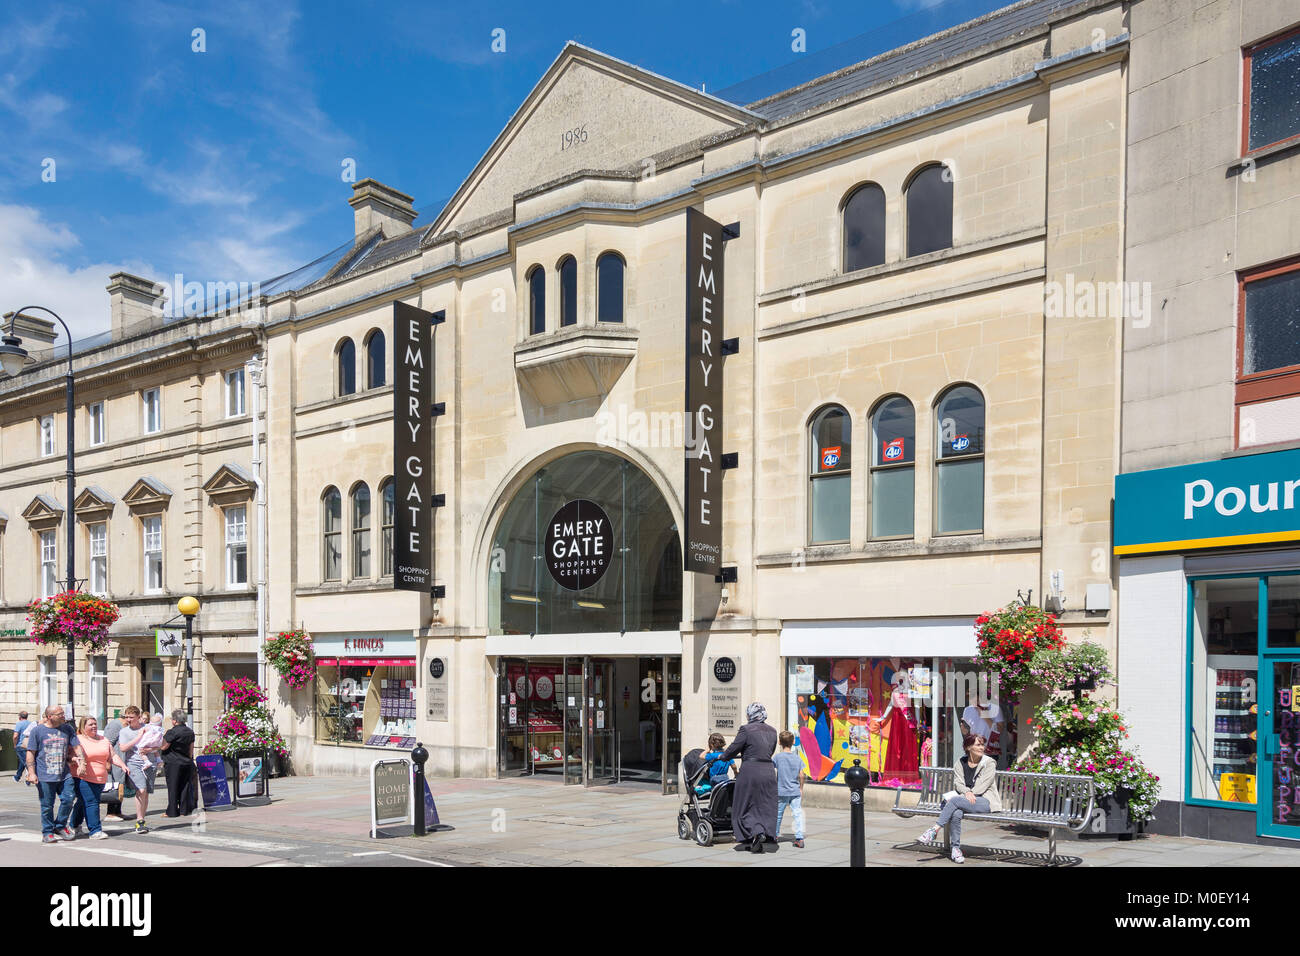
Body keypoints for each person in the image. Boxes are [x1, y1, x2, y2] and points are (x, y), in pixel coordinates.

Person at [919, 733, 1003, 863]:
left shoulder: (989, 763)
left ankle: (934, 830)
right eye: (978, 744)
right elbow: (958, 783)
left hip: (985, 801)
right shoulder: (960, 762)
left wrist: (968, 793)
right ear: (969, 747)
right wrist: (966, 793)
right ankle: (955, 849)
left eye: (982, 744)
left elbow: (983, 785)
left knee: (955, 801)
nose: (982, 747)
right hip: (965, 801)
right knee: (956, 813)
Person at [717, 702, 779, 853]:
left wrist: (723, 756)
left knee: (743, 804)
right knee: (764, 805)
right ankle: (762, 832)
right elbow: (770, 750)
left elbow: (734, 748)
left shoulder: (746, 729)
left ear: (750, 715)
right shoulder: (772, 731)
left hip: (750, 771)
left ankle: (754, 832)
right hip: (768, 770)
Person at [23, 705, 85, 843]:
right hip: (44, 775)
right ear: (50, 716)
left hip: (64, 774)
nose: (64, 716)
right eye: (60, 714)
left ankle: (60, 826)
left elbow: (76, 747)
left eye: (63, 713)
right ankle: (47, 831)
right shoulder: (37, 731)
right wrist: (31, 773)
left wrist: (82, 763)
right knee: (47, 805)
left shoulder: (67, 728)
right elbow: (30, 753)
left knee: (69, 799)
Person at [69, 715, 126, 840]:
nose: (94, 726)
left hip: (100, 778)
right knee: (92, 802)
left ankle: (74, 825)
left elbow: (112, 756)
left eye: (95, 724)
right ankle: (95, 830)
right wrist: (75, 761)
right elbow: (70, 755)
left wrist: (122, 765)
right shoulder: (78, 740)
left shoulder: (103, 740)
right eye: (90, 724)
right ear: (83, 727)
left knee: (83, 802)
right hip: (83, 777)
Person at [118, 705, 160, 834]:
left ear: (138, 717)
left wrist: (150, 749)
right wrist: (138, 737)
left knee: (145, 792)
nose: (128, 720)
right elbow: (123, 748)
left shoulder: (148, 728)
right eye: (127, 717)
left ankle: (142, 819)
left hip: (149, 763)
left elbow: (160, 744)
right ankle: (140, 820)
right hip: (133, 763)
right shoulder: (124, 732)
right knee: (140, 789)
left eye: (131, 717)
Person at [160, 709, 198, 817]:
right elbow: (191, 749)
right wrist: (189, 759)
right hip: (186, 762)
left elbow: (164, 746)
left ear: (175, 720)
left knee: (173, 787)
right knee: (184, 786)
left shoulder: (172, 732)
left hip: (173, 762)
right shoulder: (190, 731)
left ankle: (171, 811)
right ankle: (183, 810)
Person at [773, 730, 806, 848]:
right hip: (795, 791)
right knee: (797, 814)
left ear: (779, 742)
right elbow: (801, 775)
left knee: (778, 814)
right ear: (793, 742)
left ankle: (775, 835)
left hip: (781, 790)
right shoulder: (797, 758)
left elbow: (771, 770)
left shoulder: (777, 757)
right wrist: (801, 788)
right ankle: (799, 838)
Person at [103, 716, 126, 821]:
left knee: (120, 785)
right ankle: (110, 813)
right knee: (114, 785)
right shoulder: (115, 725)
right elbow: (107, 743)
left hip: (121, 761)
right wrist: (107, 761)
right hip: (114, 761)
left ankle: (118, 811)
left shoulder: (125, 725)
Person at [12, 710, 31, 783]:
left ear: (20, 717)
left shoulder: (19, 724)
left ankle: (29, 778)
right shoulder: (30, 723)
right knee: (22, 761)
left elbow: (15, 736)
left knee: (25, 762)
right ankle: (17, 776)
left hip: (20, 745)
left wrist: (15, 745)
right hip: (29, 745)